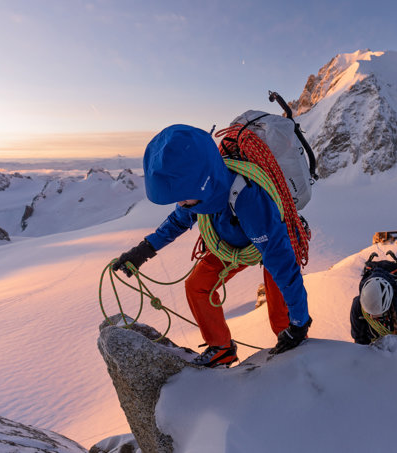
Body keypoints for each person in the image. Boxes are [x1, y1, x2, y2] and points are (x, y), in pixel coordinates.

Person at [113, 124, 311, 368]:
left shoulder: (249, 198)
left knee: (283, 316)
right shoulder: (198, 194)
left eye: (183, 196)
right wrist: (142, 252)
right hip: (230, 243)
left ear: (201, 182)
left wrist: (300, 322)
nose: (181, 203)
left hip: (270, 241)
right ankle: (221, 348)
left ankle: (295, 356)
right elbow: (177, 221)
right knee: (197, 286)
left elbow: (281, 262)